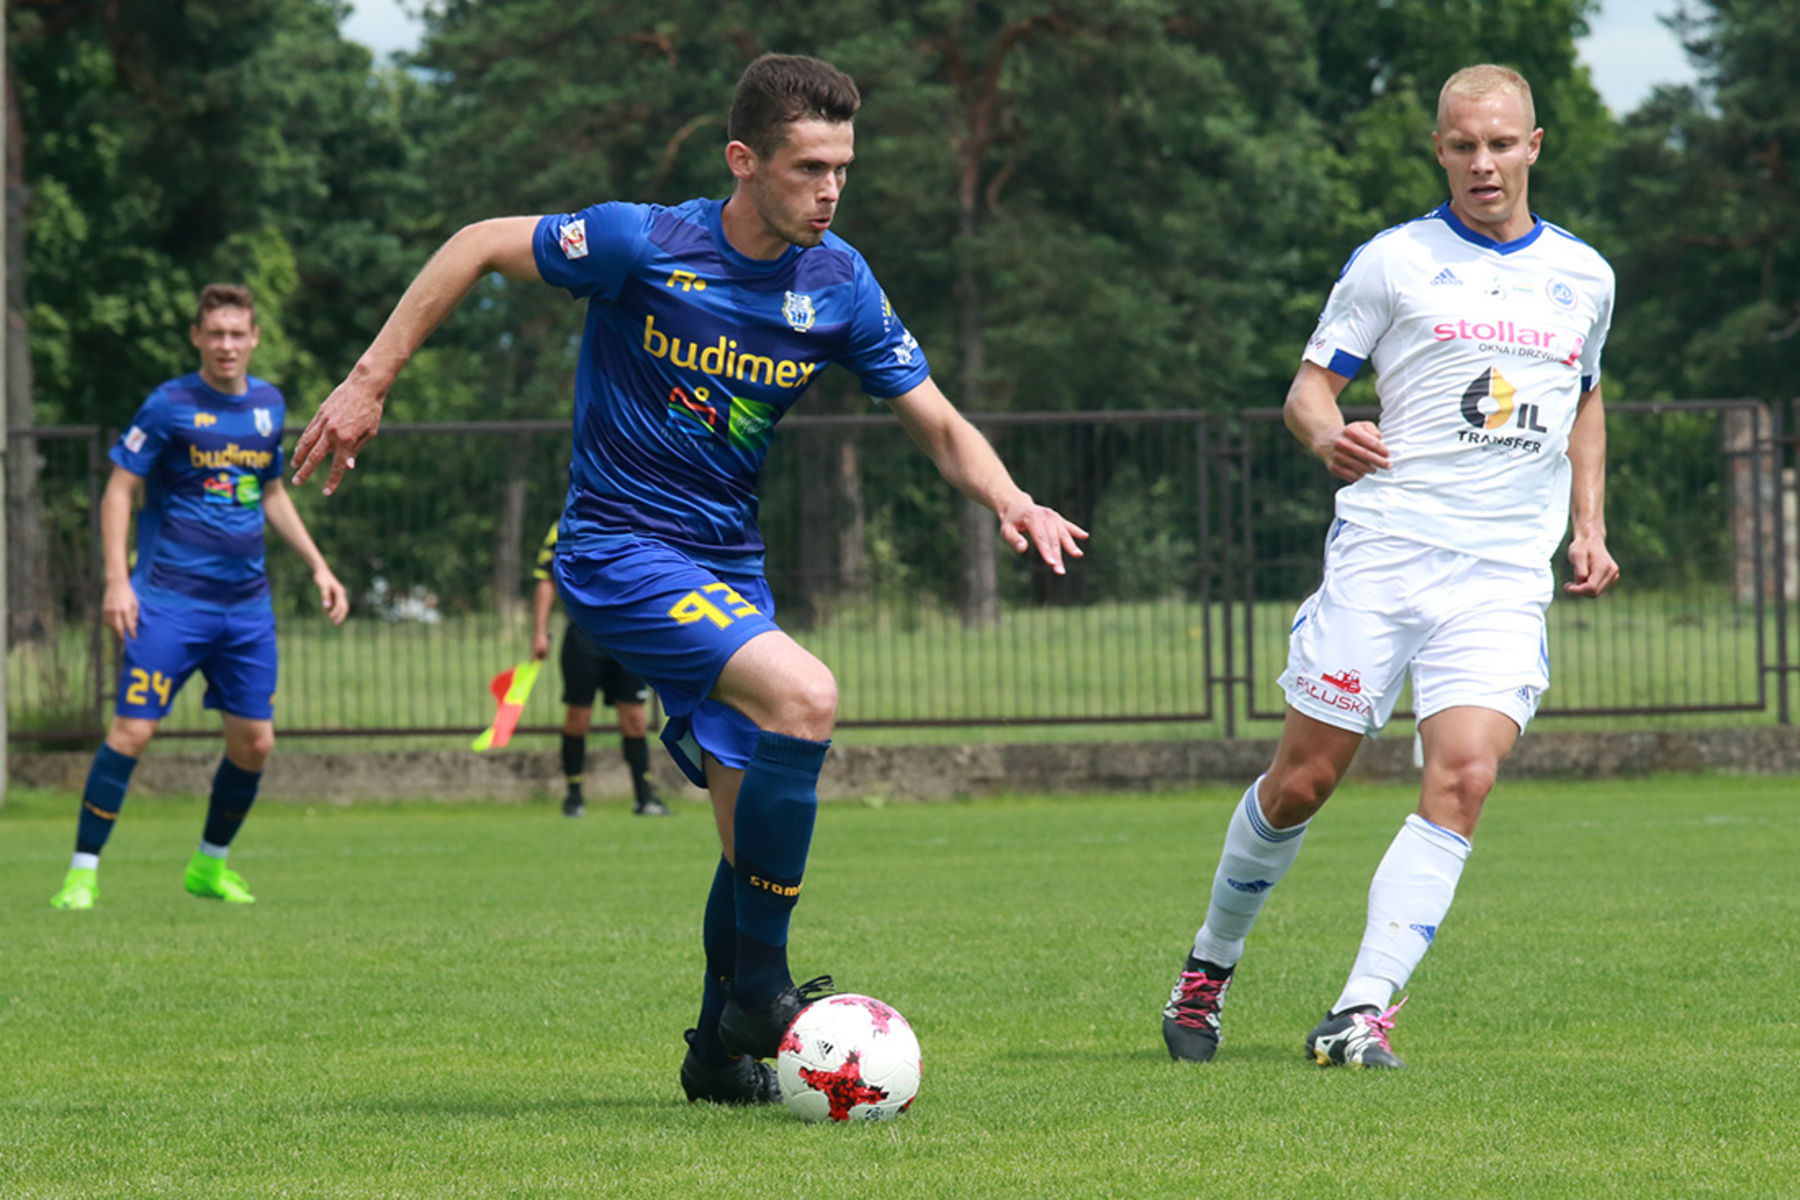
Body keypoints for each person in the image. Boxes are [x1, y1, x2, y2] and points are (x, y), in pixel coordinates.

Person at [291, 54, 1087, 1104]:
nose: (832, 189)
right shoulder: (641, 242)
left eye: (843, 167)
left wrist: (1012, 500)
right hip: (618, 550)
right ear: (743, 161)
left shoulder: (838, 281)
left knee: (747, 829)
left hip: (725, 567)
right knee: (808, 694)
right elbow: (478, 245)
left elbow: (936, 418)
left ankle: (717, 1057)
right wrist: (367, 380)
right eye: (809, 168)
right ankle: (761, 991)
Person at [1161, 64, 1618, 1069]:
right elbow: (1307, 393)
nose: (1483, 163)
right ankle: (1210, 963)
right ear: (1440, 150)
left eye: (1501, 144)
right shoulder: (1394, 262)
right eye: (1463, 146)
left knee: (1464, 776)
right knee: (1303, 782)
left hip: (1502, 576)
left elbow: (1584, 397)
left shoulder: (1585, 276)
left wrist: (1589, 525)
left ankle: (1356, 1012)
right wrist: (1330, 437)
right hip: (1389, 554)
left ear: (1535, 145)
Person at [50, 284, 350, 911]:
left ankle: (209, 866)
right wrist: (116, 581)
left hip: (245, 609)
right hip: (168, 603)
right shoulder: (168, 405)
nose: (227, 345)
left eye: (238, 333)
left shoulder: (269, 406)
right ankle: (82, 872)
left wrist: (320, 566)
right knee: (132, 731)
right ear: (197, 338)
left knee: (255, 743)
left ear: (255, 338)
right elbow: (117, 493)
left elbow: (271, 494)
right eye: (216, 333)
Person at [530, 521, 670, 817]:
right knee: (578, 716)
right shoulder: (566, 525)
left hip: (626, 636)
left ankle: (644, 797)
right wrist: (540, 632)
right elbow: (546, 578)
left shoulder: (634, 520)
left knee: (634, 717)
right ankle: (574, 796)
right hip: (583, 637)